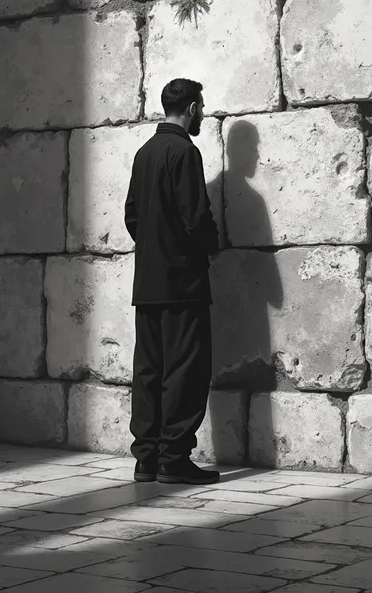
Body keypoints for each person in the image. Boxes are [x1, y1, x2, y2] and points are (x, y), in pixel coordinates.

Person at [124, 78, 221, 485]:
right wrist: (209, 247)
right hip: (181, 284)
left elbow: (131, 215)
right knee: (184, 370)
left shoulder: (145, 153)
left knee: (149, 370)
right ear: (194, 108)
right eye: (202, 107)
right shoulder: (184, 151)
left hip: (147, 283)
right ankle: (174, 458)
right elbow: (194, 217)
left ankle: (145, 459)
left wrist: (153, 252)